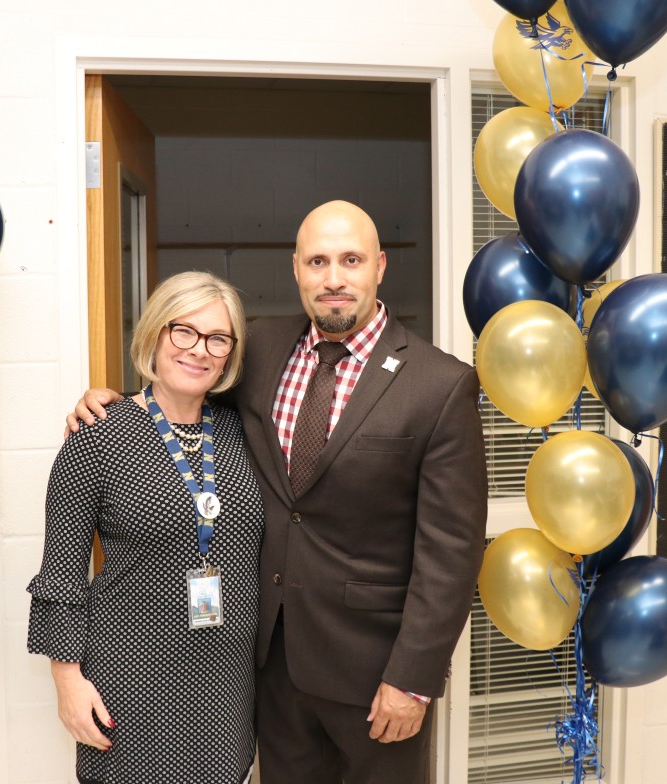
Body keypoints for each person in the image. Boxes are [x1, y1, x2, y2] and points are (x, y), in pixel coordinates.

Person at [70, 201, 487, 784]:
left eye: (351, 260)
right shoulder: (259, 349)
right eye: (318, 261)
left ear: (380, 267)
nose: (334, 278)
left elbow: (452, 550)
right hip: (268, 670)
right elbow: (187, 393)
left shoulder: (440, 385)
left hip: (377, 679)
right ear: (296, 269)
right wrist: (112, 402)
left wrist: (413, 679)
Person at [28, 271, 264, 784]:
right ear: (155, 333)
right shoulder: (97, 435)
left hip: (225, 684)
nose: (199, 350)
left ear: (230, 354)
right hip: (129, 682)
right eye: (183, 331)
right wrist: (67, 682)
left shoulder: (244, 431)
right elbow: (61, 574)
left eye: (217, 338)